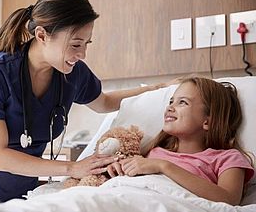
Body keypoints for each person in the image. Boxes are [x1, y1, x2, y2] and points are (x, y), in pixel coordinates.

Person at [0, 0, 176, 202]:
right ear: (41, 35)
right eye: (75, 44)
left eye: (86, 44)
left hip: (17, 188)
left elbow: (104, 102)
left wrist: (157, 89)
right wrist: (72, 168)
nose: (82, 54)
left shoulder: (73, 73)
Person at [106, 77, 255, 205]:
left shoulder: (227, 158)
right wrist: (119, 169)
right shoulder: (153, 151)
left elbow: (228, 200)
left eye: (182, 102)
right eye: (171, 101)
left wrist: (163, 166)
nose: (170, 107)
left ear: (207, 121)